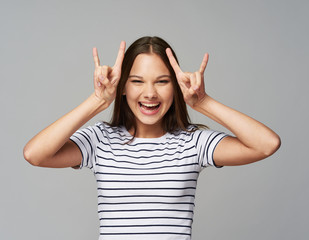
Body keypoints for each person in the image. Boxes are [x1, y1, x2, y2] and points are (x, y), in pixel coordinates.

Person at [23, 36, 281, 239]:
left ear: (176, 87)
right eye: (137, 81)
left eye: (162, 81)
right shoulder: (100, 140)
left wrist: (202, 102)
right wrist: (97, 101)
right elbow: (34, 154)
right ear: (123, 86)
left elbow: (267, 144)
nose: (150, 93)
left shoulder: (193, 143)